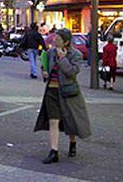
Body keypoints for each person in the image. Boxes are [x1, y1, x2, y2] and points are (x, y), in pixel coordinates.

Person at [34, 28, 91, 164]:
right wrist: (44, 71)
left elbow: (72, 72)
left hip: (68, 92)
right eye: (55, 38)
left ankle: (72, 142)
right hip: (52, 91)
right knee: (53, 120)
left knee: (71, 121)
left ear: (66, 42)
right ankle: (54, 151)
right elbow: (44, 64)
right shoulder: (50, 52)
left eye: (58, 39)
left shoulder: (75, 54)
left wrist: (63, 59)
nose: (54, 41)